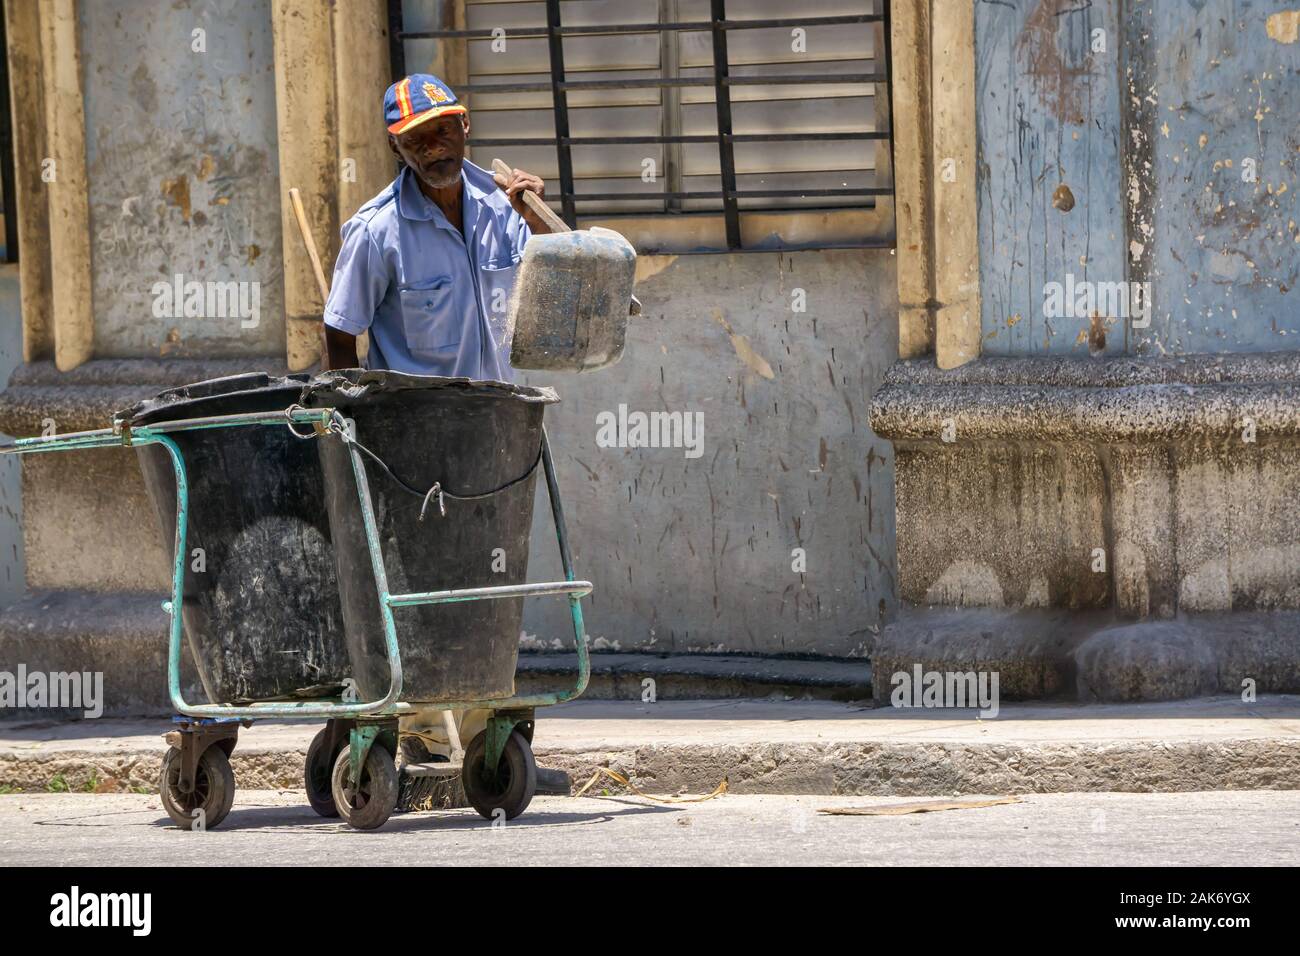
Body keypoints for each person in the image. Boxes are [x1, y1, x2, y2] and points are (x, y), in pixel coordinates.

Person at [322, 72, 552, 379]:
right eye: (415, 139)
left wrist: (540, 221)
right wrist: (348, 414)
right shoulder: (375, 231)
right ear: (395, 147)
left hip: (510, 410)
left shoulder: (506, 205)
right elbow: (339, 334)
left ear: (465, 125)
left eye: (442, 130)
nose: (432, 147)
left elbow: (553, 291)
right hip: (421, 421)